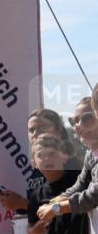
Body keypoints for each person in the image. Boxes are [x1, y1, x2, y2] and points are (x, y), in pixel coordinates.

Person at [0, 108, 77, 213]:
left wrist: (22, 203)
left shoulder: (71, 166)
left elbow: (65, 207)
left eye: (42, 128)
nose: (35, 133)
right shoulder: (37, 168)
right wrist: (16, 203)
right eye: (31, 130)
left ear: (58, 131)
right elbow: (35, 210)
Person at [39, 93, 98, 224]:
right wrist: (53, 202)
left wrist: (55, 209)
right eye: (74, 121)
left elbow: (94, 196)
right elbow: (79, 186)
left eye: (87, 118)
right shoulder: (90, 156)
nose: (79, 125)